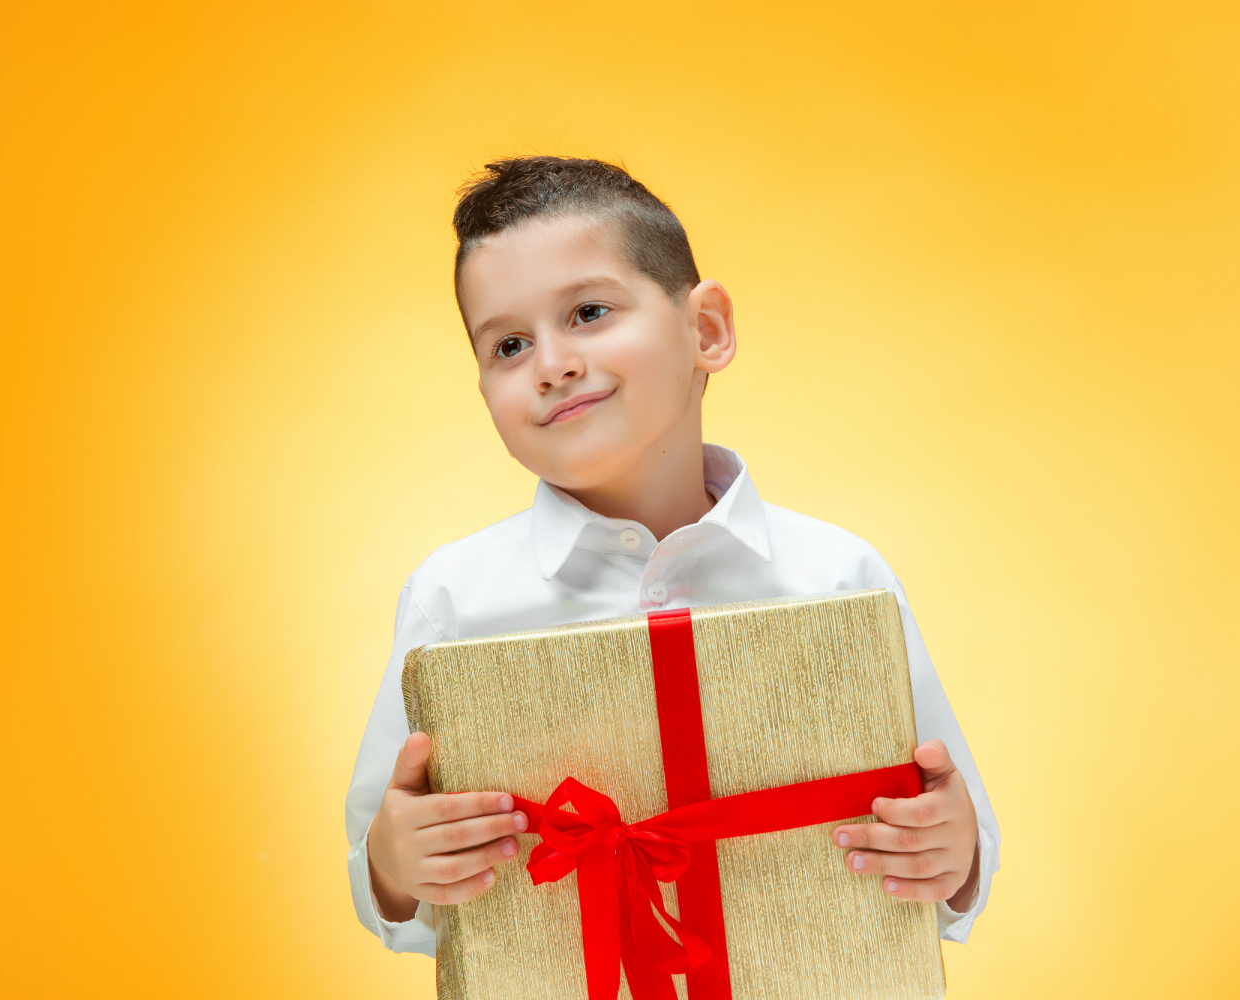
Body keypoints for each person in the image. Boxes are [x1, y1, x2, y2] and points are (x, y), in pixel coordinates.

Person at [345, 156, 999, 958]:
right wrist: (394, 861)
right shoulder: (453, 598)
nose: (552, 365)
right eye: (509, 344)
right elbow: (381, 876)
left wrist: (952, 851)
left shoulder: (838, 578)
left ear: (706, 330)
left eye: (588, 312)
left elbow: (959, 831)